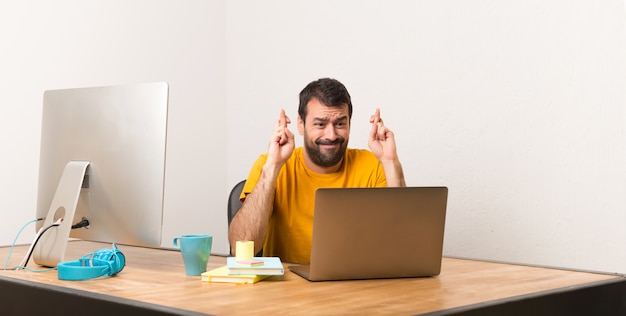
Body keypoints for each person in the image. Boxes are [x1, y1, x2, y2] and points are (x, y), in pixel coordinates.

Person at [228, 78, 406, 264]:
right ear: (300, 124)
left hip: (355, 287)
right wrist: (273, 167)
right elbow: (241, 247)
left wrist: (390, 161)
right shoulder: (269, 163)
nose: (331, 135)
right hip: (286, 289)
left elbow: (403, 242)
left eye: (340, 124)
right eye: (320, 124)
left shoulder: (374, 165)